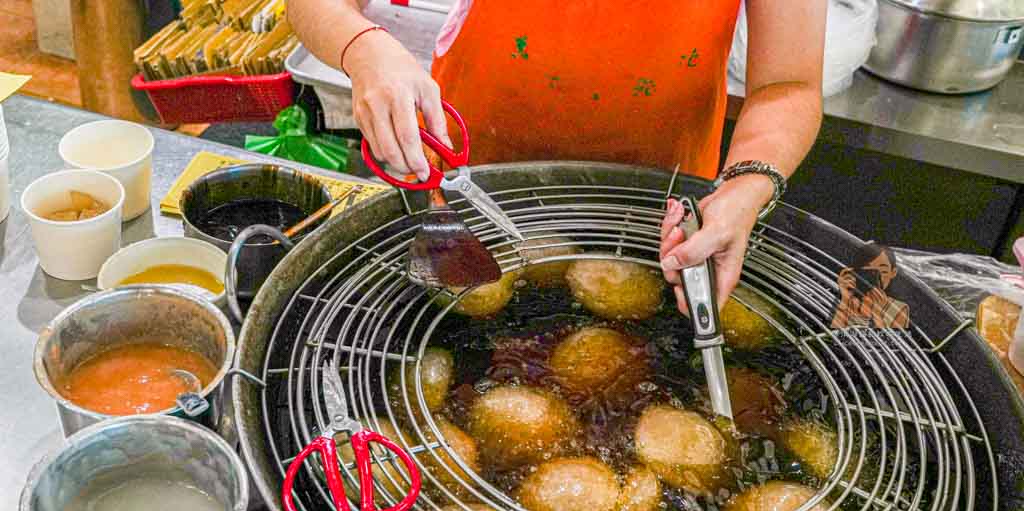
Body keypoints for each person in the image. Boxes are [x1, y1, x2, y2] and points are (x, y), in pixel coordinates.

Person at [289, 1, 826, 310]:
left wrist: (747, 184)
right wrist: (366, 49)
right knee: (456, 327)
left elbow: (789, 85)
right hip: (473, 177)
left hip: (657, 210)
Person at [832, 245, 910, 329]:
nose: (877, 278)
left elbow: (890, 337)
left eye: (883, 271)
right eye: (868, 272)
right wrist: (845, 299)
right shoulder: (847, 301)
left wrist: (877, 312)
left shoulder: (898, 309)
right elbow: (833, 333)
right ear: (857, 271)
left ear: (893, 272)